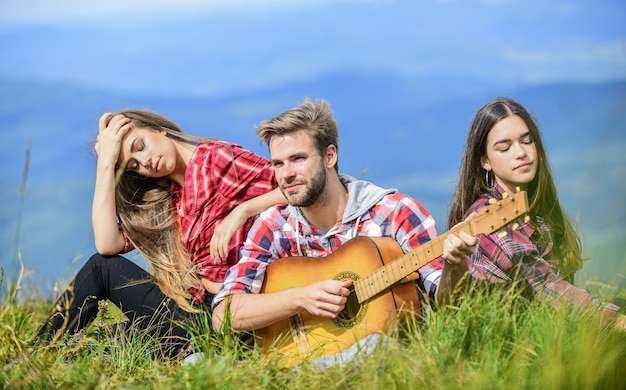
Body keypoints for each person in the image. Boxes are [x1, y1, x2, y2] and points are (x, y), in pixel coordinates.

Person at [211, 98, 476, 364]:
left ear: (330, 156)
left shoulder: (396, 213)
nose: (286, 174)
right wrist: (299, 299)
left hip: (379, 362)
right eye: (278, 163)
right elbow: (224, 315)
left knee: (379, 347)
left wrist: (455, 264)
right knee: (197, 362)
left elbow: (449, 303)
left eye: (298, 159)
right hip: (296, 361)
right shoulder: (273, 226)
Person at [35, 109, 285, 356]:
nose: (145, 162)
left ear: (159, 129)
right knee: (98, 342)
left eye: (140, 145)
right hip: (193, 313)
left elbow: (297, 189)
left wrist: (242, 211)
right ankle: (33, 362)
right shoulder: (167, 195)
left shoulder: (215, 159)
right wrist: (106, 164)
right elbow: (107, 244)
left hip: (224, 319)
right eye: (134, 165)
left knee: (102, 270)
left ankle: (33, 356)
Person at [445, 97, 623, 327]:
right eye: (505, 148)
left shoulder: (535, 208)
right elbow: (549, 288)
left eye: (527, 141)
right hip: (513, 350)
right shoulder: (490, 221)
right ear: (484, 161)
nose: (520, 153)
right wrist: (618, 322)